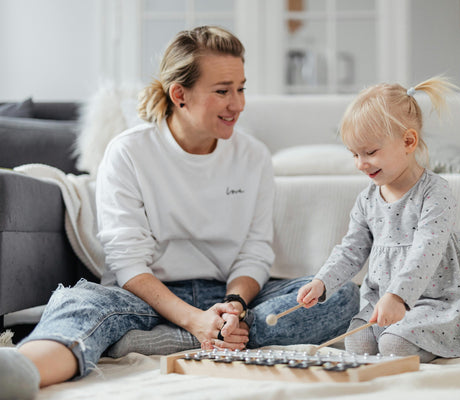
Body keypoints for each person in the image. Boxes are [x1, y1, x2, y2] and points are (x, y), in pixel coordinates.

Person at [0, 26, 358, 400]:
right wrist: (193, 318)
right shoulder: (128, 152)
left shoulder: (252, 156)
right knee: (79, 303)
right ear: (179, 95)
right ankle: (23, 371)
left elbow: (255, 253)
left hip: (227, 298)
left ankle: (165, 342)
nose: (238, 104)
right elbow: (127, 261)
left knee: (341, 294)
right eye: (223, 91)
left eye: (241, 88)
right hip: (147, 299)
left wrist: (234, 308)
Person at [297, 76, 460, 363]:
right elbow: (351, 250)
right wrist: (322, 282)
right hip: (382, 301)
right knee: (357, 344)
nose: (361, 164)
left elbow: (427, 251)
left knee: (394, 346)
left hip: (431, 302)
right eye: (354, 154)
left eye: (371, 152)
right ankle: (397, 336)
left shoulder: (435, 192)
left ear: (408, 141)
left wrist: (399, 296)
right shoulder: (366, 199)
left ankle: (434, 344)